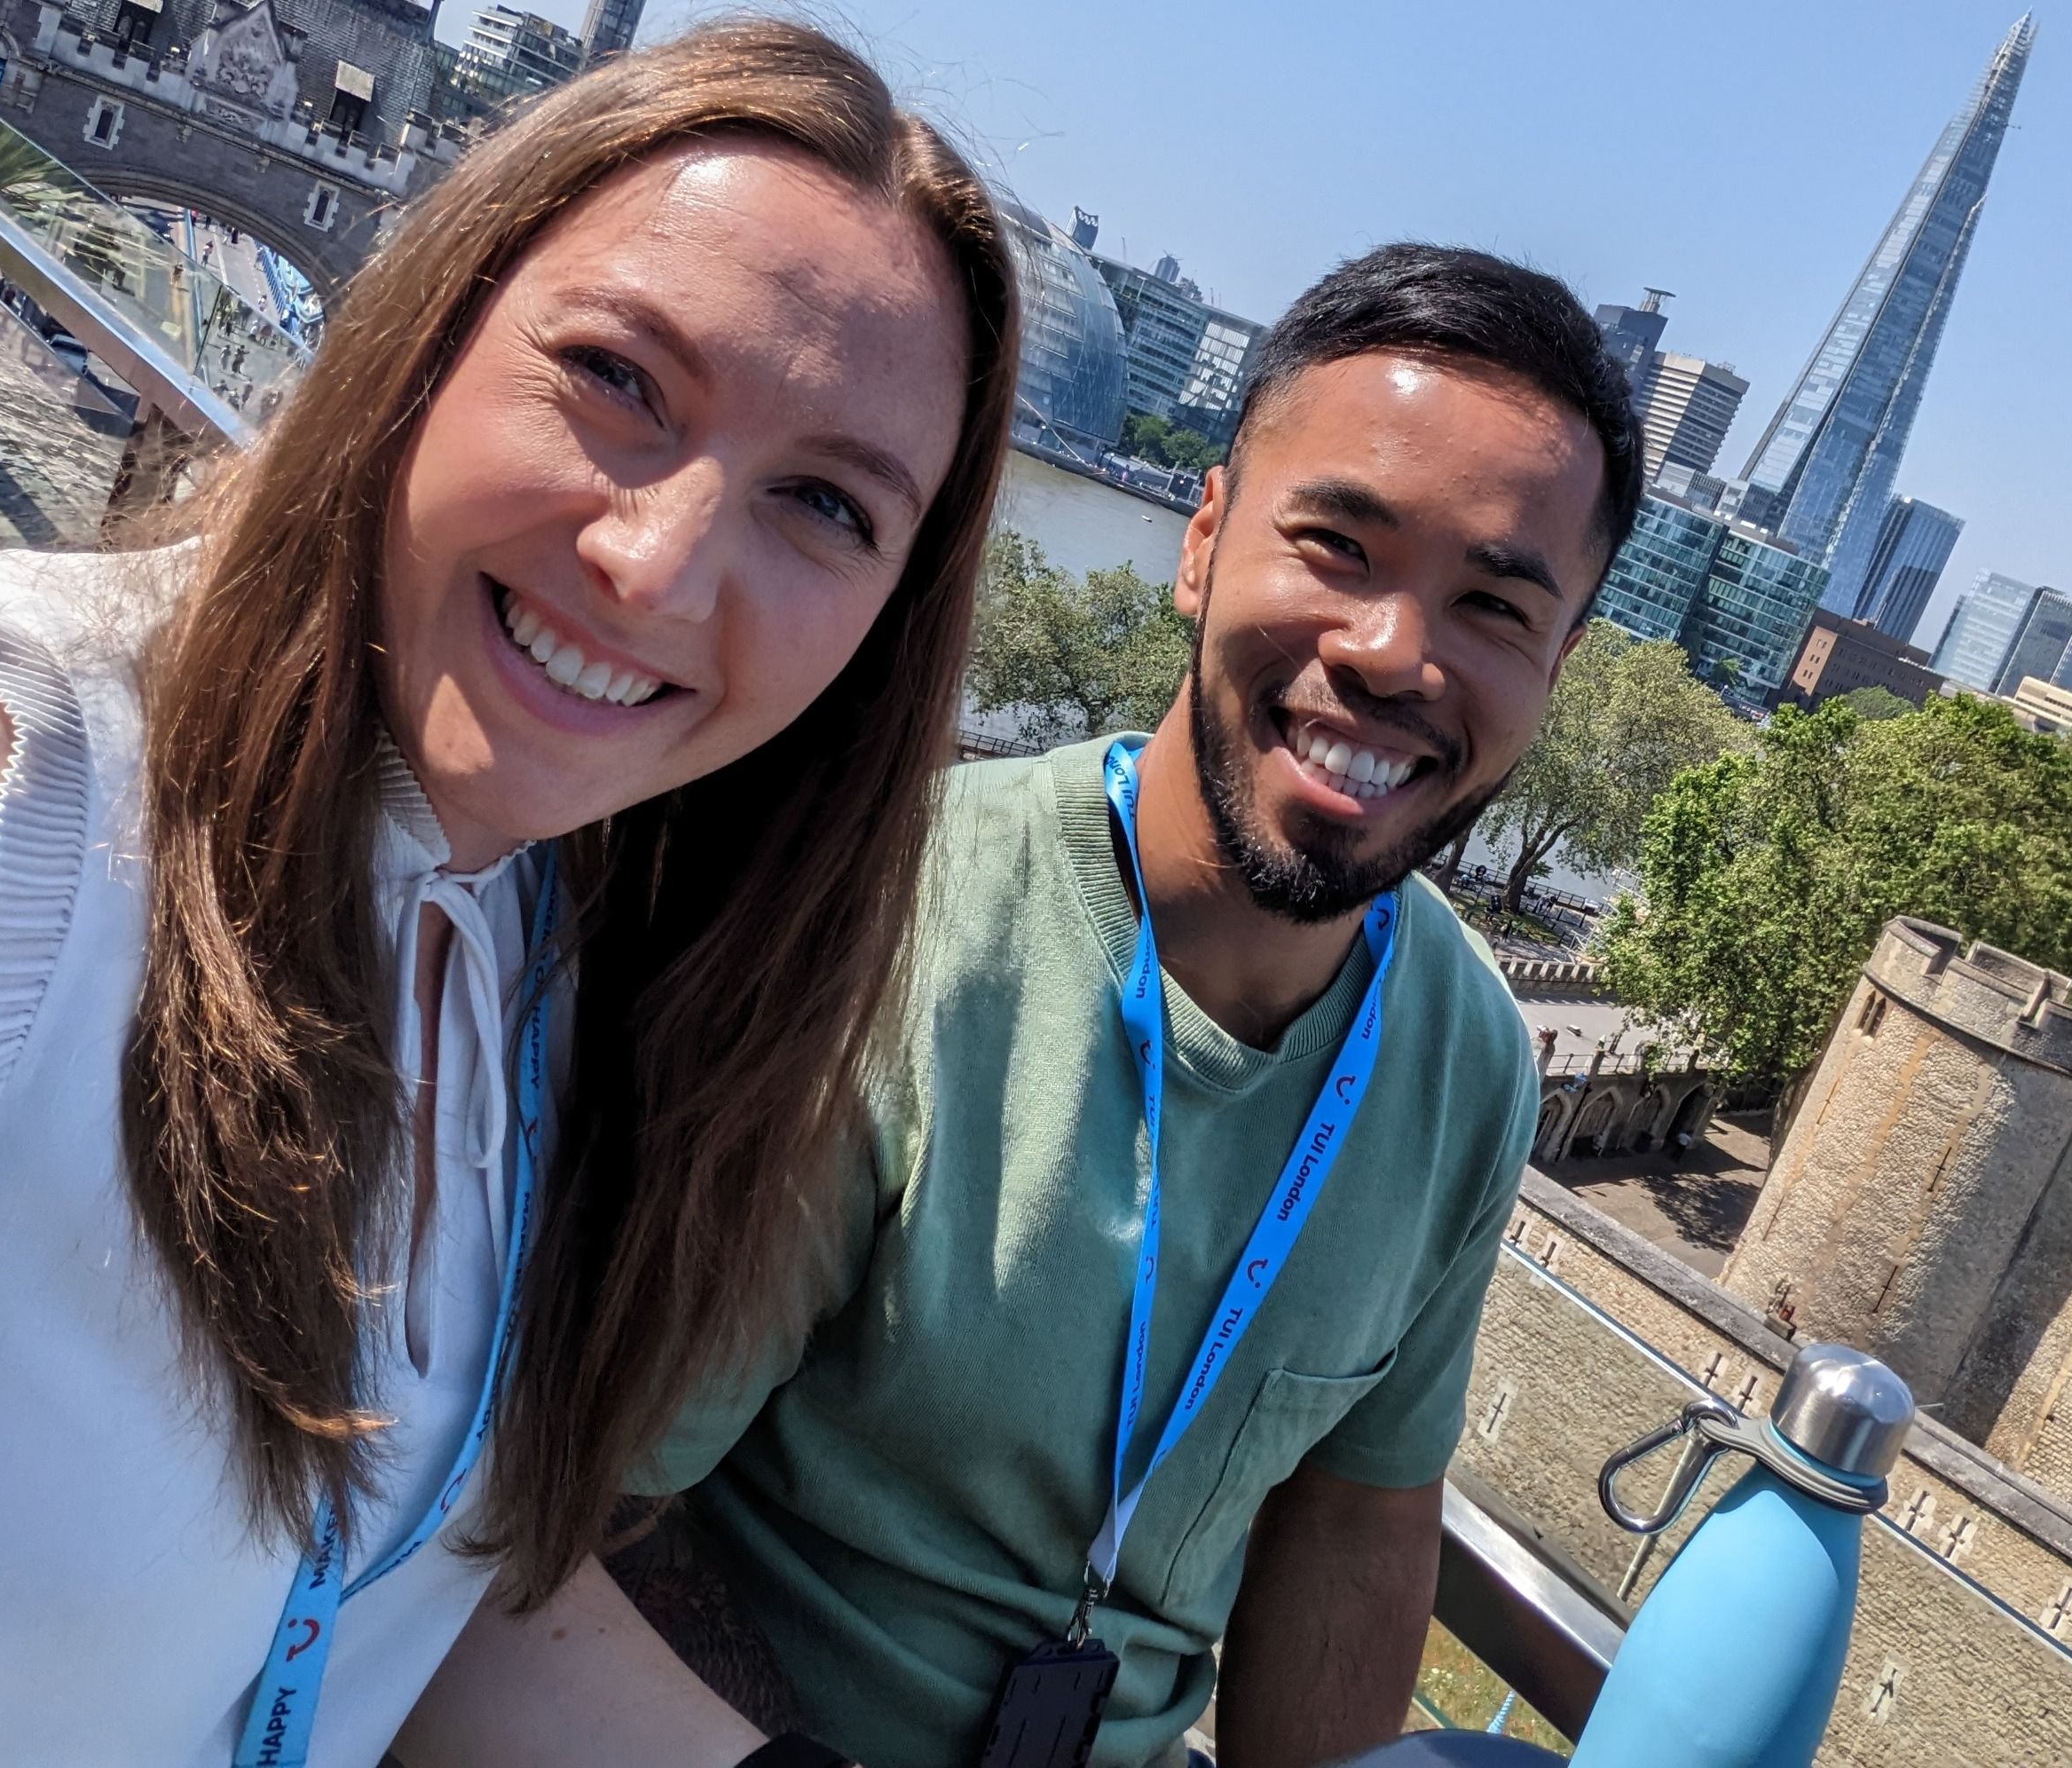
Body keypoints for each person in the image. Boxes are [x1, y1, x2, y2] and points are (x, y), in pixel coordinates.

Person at [0, 23, 1016, 1765]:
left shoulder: (536, 948)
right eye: (619, 380)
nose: (658, 567)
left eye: (822, 502)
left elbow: (384, 1570)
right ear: (433, 328)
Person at [631, 245, 1645, 1768]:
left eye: (1494, 607)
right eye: (1339, 548)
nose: (1390, 655)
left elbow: (1357, 1521)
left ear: (1556, 670)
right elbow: (609, 1516)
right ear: (1205, 542)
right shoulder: (899, 925)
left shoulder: (1469, 1061)